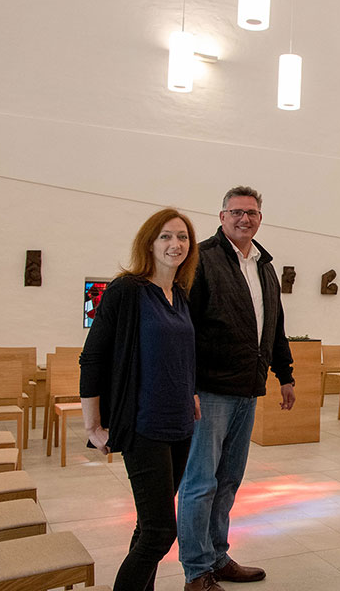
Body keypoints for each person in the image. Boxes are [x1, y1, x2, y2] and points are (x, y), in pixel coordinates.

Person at [177, 186, 295, 591]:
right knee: (200, 482)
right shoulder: (203, 260)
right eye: (237, 212)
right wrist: (187, 385)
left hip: (248, 389)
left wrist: (287, 374)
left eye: (253, 213)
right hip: (209, 390)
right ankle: (196, 570)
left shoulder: (264, 265)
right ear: (222, 215)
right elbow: (186, 330)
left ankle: (218, 556)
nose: (245, 219)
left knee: (228, 480)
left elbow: (274, 326)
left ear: (261, 217)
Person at [80, 208, 201, 591]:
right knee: (161, 532)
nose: (175, 244)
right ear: (149, 242)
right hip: (143, 424)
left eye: (182, 237)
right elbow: (93, 357)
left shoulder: (179, 294)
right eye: (165, 236)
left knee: (147, 526)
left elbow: (180, 352)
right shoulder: (127, 290)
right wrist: (93, 425)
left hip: (180, 424)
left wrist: (191, 392)